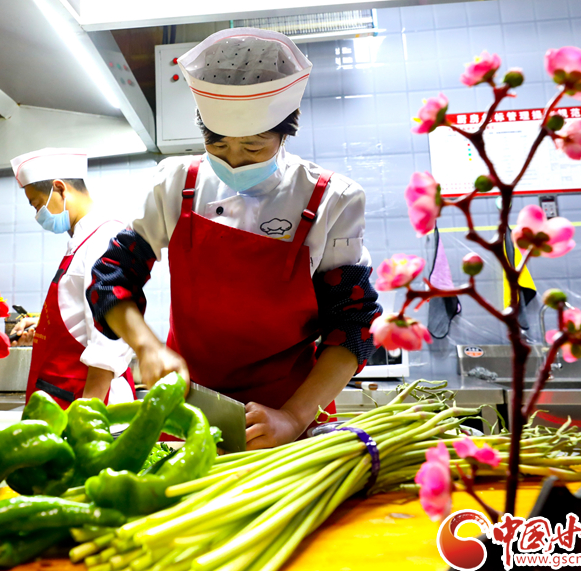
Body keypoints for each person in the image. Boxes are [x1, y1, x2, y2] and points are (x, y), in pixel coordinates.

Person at [86, 28, 381, 449]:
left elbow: (351, 326)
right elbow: (113, 277)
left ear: (285, 133)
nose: (234, 162)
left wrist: (293, 418)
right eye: (217, 145)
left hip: (287, 420)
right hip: (188, 411)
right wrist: (146, 346)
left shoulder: (331, 198)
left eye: (254, 148)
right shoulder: (176, 183)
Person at [9, 148, 136, 408]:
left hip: (89, 404)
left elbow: (110, 337)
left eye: (37, 204)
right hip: (64, 396)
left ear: (60, 189)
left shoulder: (105, 239)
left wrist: (88, 413)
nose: (37, 215)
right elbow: (84, 311)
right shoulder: (82, 240)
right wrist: (43, 328)